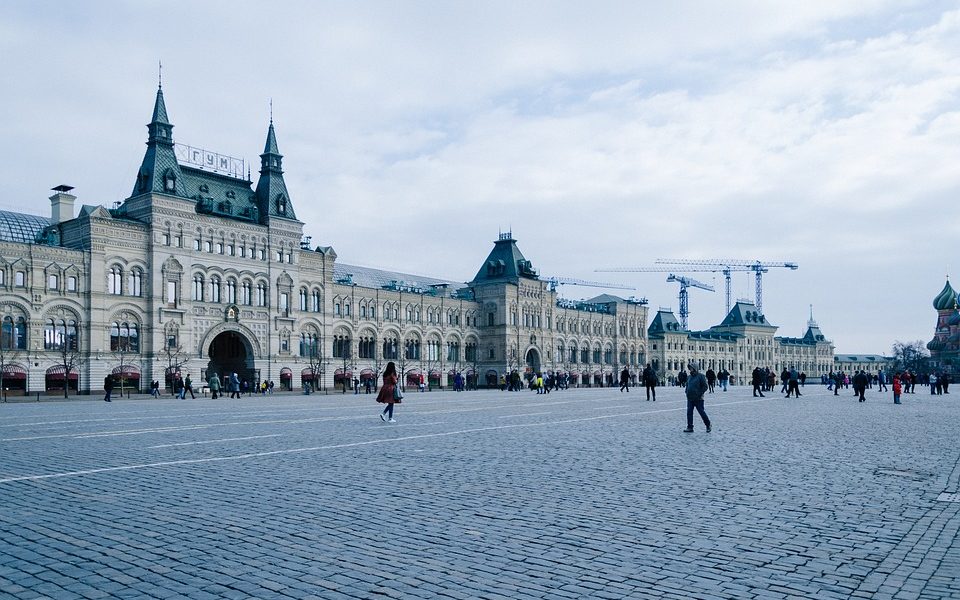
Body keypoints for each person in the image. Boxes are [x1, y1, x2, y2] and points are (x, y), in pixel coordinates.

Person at [683, 363, 711, 433]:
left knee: (701, 412)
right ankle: (690, 427)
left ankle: (708, 424)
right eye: (689, 368)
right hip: (690, 398)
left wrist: (699, 393)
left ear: (695, 368)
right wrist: (686, 392)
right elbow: (687, 385)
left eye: (691, 368)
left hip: (699, 398)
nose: (690, 369)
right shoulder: (689, 377)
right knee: (689, 413)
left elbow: (705, 386)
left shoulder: (701, 376)